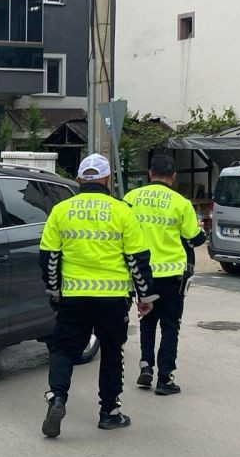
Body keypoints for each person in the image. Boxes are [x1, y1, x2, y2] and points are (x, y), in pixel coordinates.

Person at [39, 153, 156, 438]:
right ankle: (109, 413)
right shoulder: (122, 211)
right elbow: (137, 259)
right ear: (107, 179)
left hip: (73, 297)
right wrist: (145, 297)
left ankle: (57, 398)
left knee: (63, 349)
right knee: (112, 352)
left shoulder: (61, 210)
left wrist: (54, 291)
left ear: (79, 179)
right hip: (113, 299)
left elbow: (49, 258)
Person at [123, 154, 207, 395]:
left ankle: (145, 366)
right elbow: (194, 239)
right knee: (170, 326)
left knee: (147, 320)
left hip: (142, 274)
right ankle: (165, 378)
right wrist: (200, 231)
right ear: (173, 176)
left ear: (149, 174)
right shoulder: (181, 203)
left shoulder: (131, 198)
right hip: (171, 275)